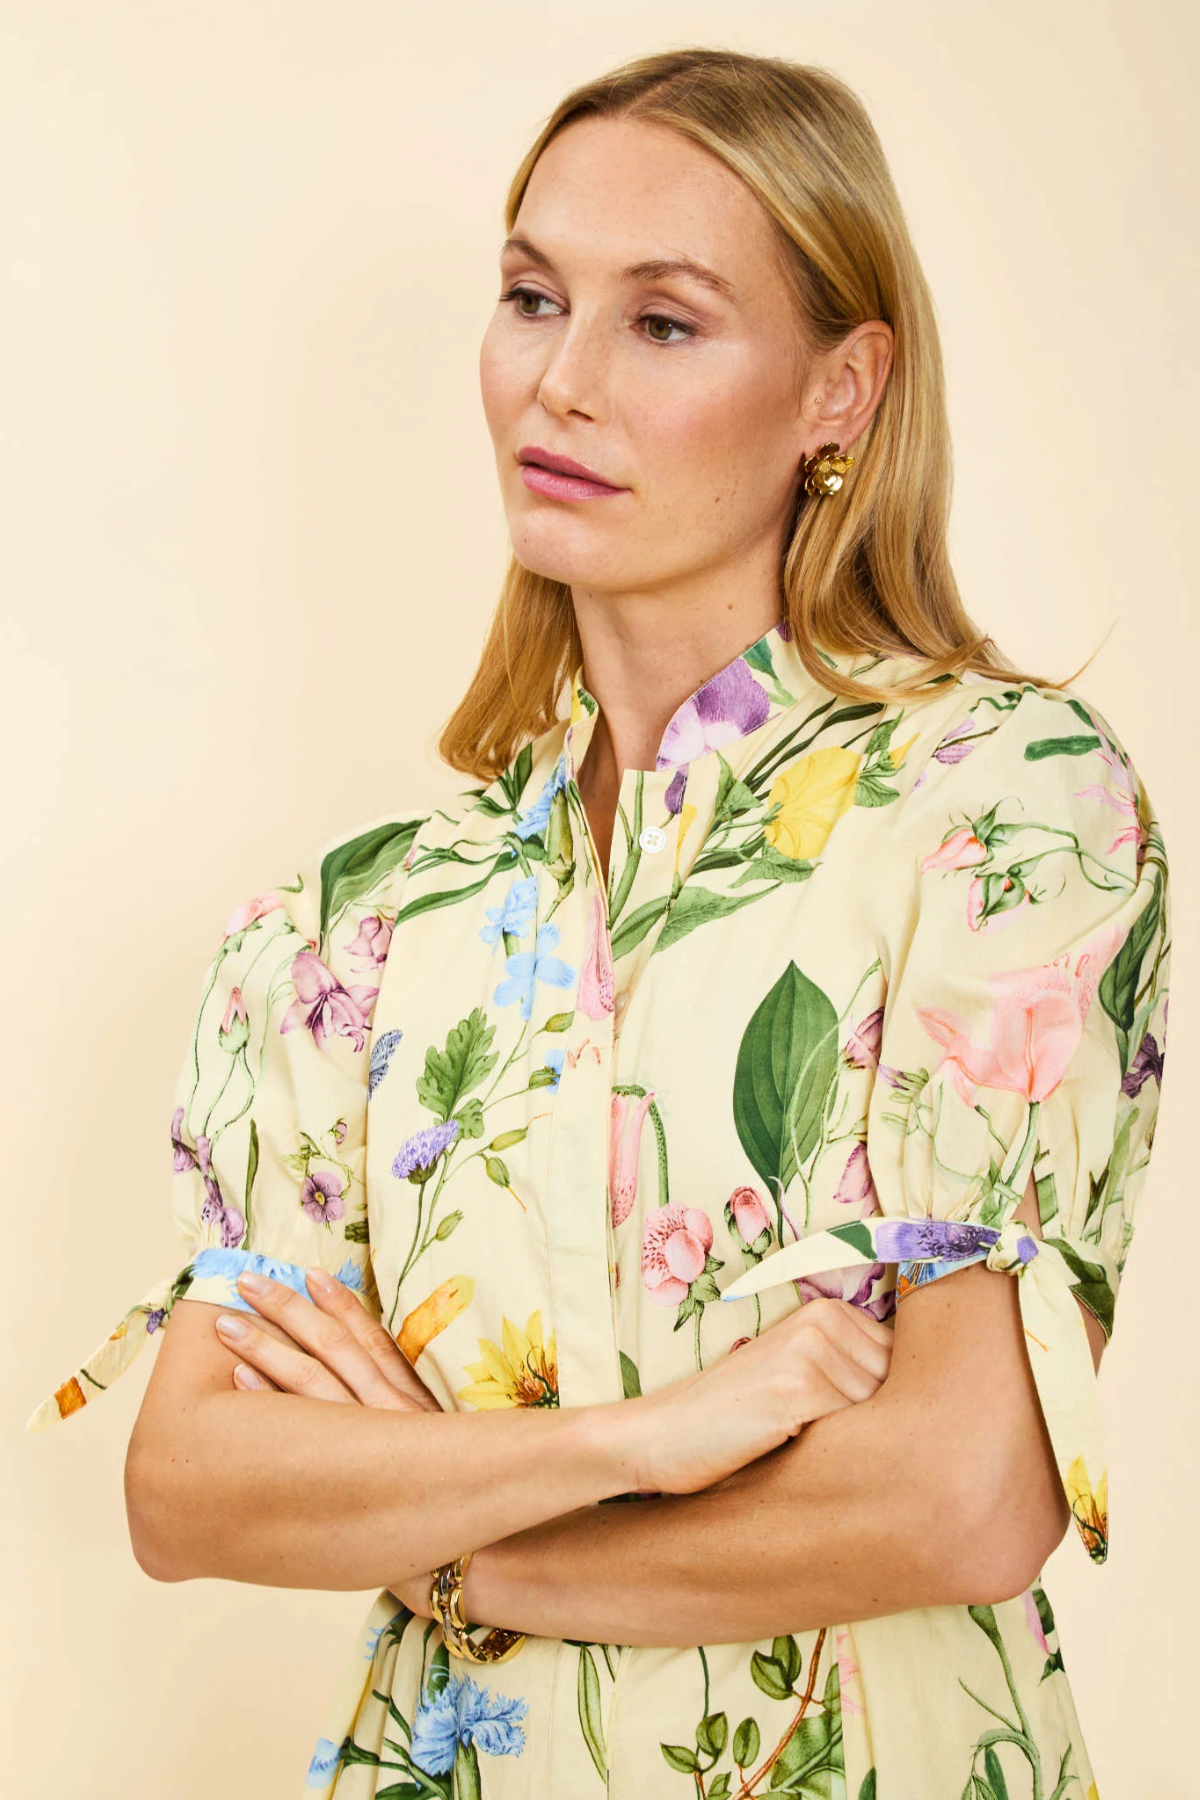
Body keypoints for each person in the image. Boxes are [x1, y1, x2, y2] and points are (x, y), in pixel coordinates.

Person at [27, 46, 1171, 1800]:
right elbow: (192, 1489)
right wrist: (657, 1440)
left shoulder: (1003, 808)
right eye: (531, 297)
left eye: (663, 323)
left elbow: (963, 1491)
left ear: (839, 391)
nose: (558, 384)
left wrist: (459, 1545)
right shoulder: (351, 931)